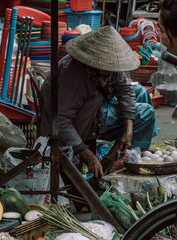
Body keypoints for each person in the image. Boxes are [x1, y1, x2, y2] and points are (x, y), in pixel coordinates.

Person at [39, 26, 157, 178]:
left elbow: (125, 89)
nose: (112, 73)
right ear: (94, 63)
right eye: (107, 70)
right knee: (145, 112)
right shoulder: (73, 76)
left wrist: (129, 128)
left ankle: (125, 151)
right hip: (77, 120)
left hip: (95, 102)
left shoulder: (111, 65)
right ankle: (115, 158)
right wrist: (87, 154)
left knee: (141, 92)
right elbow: (61, 122)